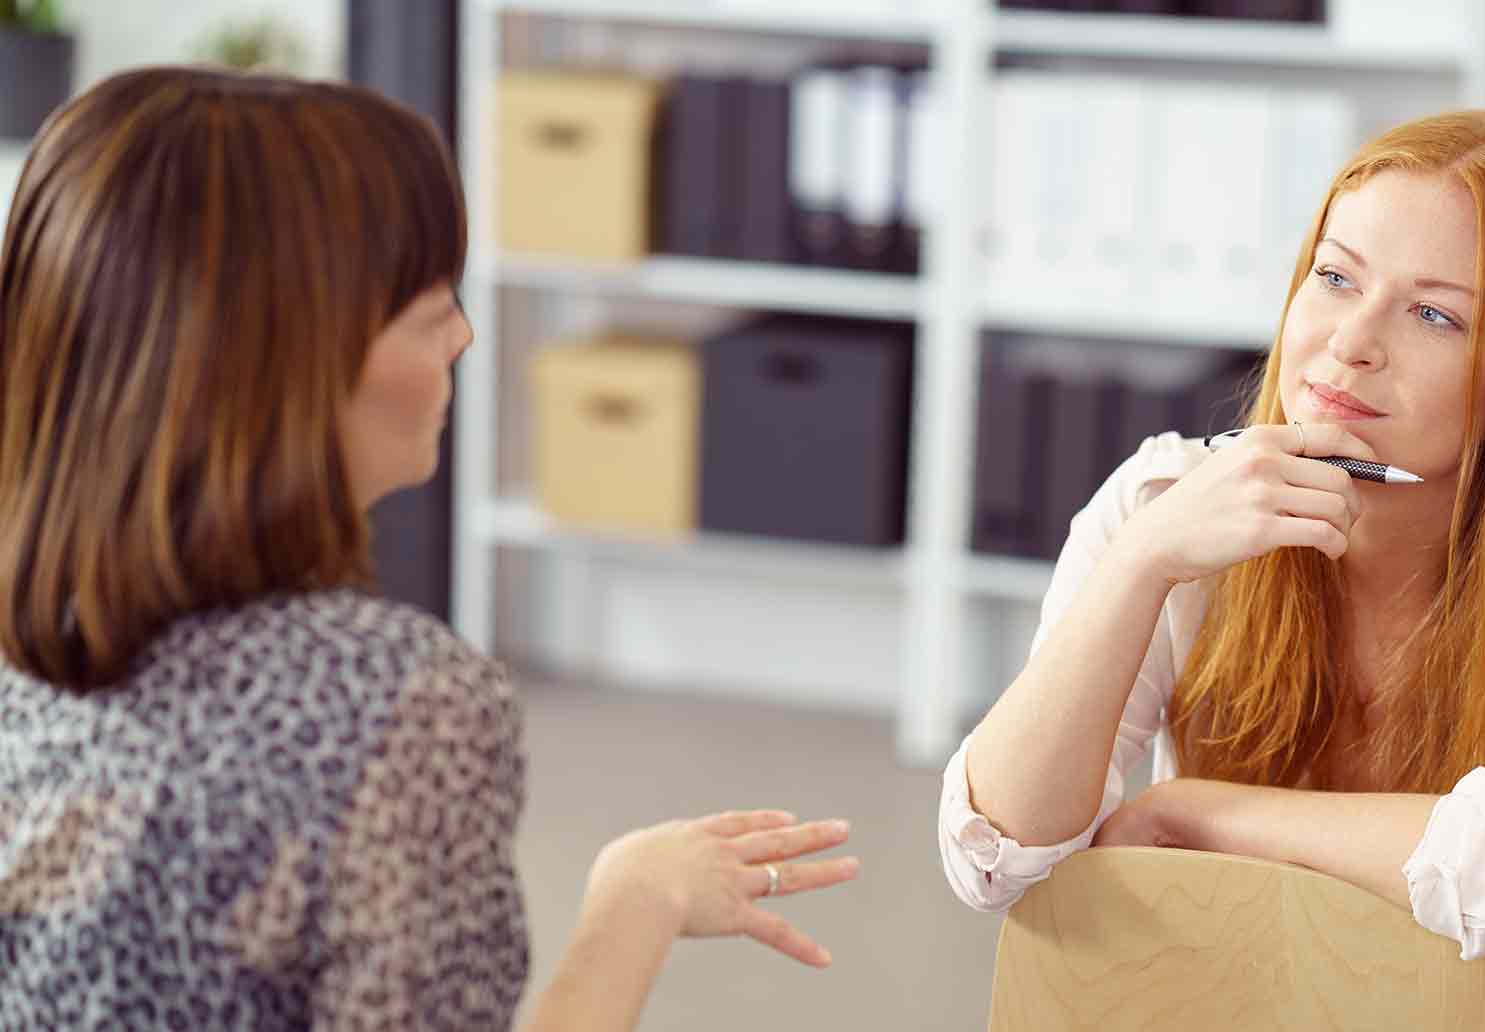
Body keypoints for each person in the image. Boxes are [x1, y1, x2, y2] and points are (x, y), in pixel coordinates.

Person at [0, 66, 858, 1031]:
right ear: (284, 379)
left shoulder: (27, 657)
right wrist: (637, 900)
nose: (462, 336)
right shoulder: (401, 708)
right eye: (426, 309)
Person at [938, 110, 1485, 1032]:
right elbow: (993, 855)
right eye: (1335, 276)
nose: (1352, 340)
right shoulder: (1164, 504)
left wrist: (1197, 814)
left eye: (1435, 314)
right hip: (1248, 986)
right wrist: (1142, 562)